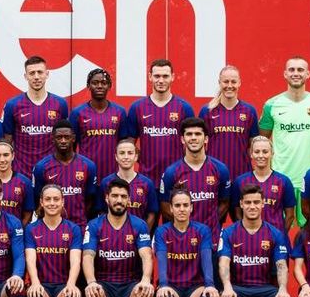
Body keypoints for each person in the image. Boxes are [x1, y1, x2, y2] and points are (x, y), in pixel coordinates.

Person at [217, 184, 293, 297]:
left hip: (264, 288)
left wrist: (283, 289)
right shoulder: (229, 233)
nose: (252, 206)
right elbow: (224, 262)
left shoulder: (275, 233)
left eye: (256, 202)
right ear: (241, 204)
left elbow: (281, 265)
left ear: (263, 204)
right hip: (238, 288)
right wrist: (227, 287)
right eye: (248, 202)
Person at [82, 179, 155, 297]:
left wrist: (146, 280)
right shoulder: (94, 225)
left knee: (146, 293)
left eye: (123, 196)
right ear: (107, 198)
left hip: (130, 285)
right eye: (115, 196)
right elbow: (88, 256)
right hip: (104, 285)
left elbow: (146, 255)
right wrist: (91, 282)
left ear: (129, 200)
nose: (119, 200)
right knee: (91, 294)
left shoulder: (139, 225)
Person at [259, 56, 310, 226]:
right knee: (276, 232)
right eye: (291, 70)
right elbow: (262, 139)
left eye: (300, 70)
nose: (296, 73)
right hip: (281, 178)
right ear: (285, 74)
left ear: (308, 74)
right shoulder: (272, 105)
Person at [151, 189, 220, 297]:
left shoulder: (202, 230)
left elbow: (206, 258)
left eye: (185, 205)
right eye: (177, 205)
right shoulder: (162, 231)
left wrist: (210, 285)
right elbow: (161, 259)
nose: (181, 209)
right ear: (171, 208)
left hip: (194, 288)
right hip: (172, 286)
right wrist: (163, 284)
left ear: (191, 207)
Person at [23, 185, 85, 297]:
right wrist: (35, 283)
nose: (52, 203)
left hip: (62, 287)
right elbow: (30, 259)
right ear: (41, 202)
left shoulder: (73, 229)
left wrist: (71, 284)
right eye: (48, 199)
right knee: (34, 296)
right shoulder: (31, 229)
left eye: (56, 199)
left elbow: (76, 261)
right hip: (42, 285)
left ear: (63, 202)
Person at [126, 59, 197, 188]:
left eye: (165, 76)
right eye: (157, 76)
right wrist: (142, 158)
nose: (161, 80)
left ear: (172, 77)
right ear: (150, 77)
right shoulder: (137, 107)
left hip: (177, 178)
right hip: (147, 178)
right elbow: (129, 142)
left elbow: (193, 142)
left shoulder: (184, 108)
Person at [159, 117, 231, 236]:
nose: (193, 138)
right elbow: (165, 206)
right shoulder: (171, 172)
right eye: (189, 134)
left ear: (206, 139)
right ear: (182, 139)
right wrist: (185, 227)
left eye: (198, 134)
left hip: (211, 239)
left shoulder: (220, 169)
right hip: (182, 240)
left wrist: (208, 225)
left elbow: (225, 203)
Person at [2, 56, 69, 178]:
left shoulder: (60, 104)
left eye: (40, 72)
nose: (36, 77)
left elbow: (66, 139)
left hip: (52, 172)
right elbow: (7, 141)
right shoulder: (13, 105)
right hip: (22, 173)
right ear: (26, 76)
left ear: (47, 74)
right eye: (32, 73)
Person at [31, 121, 98, 228]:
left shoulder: (88, 166)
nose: (63, 141)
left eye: (67, 137)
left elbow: (90, 199)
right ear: (53, 139)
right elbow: (38, 199)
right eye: (59, 137)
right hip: (52, 228)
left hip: (79, 226)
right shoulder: (41, 167)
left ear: (73, 138)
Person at [68, 68, 128, 180]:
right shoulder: (77, 113)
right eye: (95, 83)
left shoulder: (119, 112)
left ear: (109, 86)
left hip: (113, 175)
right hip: (86, 175)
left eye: (103, 83)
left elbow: (124, 144)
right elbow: (71, 147)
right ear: (88, 86)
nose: (99, 86)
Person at [201, 65, 259, 181]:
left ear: (239, 83)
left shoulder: (249, 111)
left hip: (242, 175)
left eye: (233, 82)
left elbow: (253, 146)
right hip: (213, 175)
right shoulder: (207, 111)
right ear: (219, 83)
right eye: (226, 81)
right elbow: (200, 145)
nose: (229, 85)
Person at [232, 136, 296, 236]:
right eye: (257, 152)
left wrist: (279, 236)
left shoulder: (284, 181)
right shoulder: (240, 182)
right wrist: (246, 234)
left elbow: (290, 215)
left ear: (272, 153)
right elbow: (237, 213)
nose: (261, 155)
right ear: (251, 154)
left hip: (275, 240)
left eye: (265, 152)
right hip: (249, 239)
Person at [98, 139, 158, 232]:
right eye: (122, 153)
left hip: (138, 237)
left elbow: (151, 214)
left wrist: (143, 235)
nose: (126, 157)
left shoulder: (147, 184)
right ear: (116, 157)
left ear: (136, 156)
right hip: (112, 236)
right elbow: (102, 212)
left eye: (130, 153)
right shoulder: (106, 183)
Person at [0, 141, 35, 223]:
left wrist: (19, 229)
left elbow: (28, 214)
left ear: (13, 156)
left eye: (6, 155)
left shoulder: (24, 182)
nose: (2, 160)